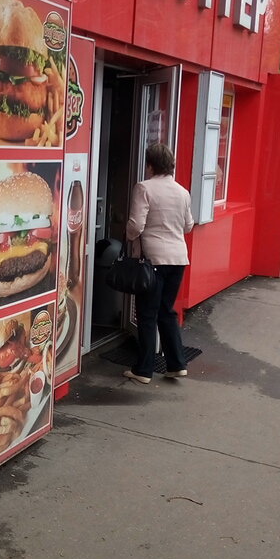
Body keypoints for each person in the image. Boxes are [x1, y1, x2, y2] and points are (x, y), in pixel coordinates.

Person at [123, 142, 194, 385]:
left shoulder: (144, 188)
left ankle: (143, 370)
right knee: (167, 311)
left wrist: (128, 237)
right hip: (178, 259)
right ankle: (177, 364)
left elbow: (135, 225)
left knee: (146, 314)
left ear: (150, 165)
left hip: (153, 259)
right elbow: (188, 226)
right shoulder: (183, 192)